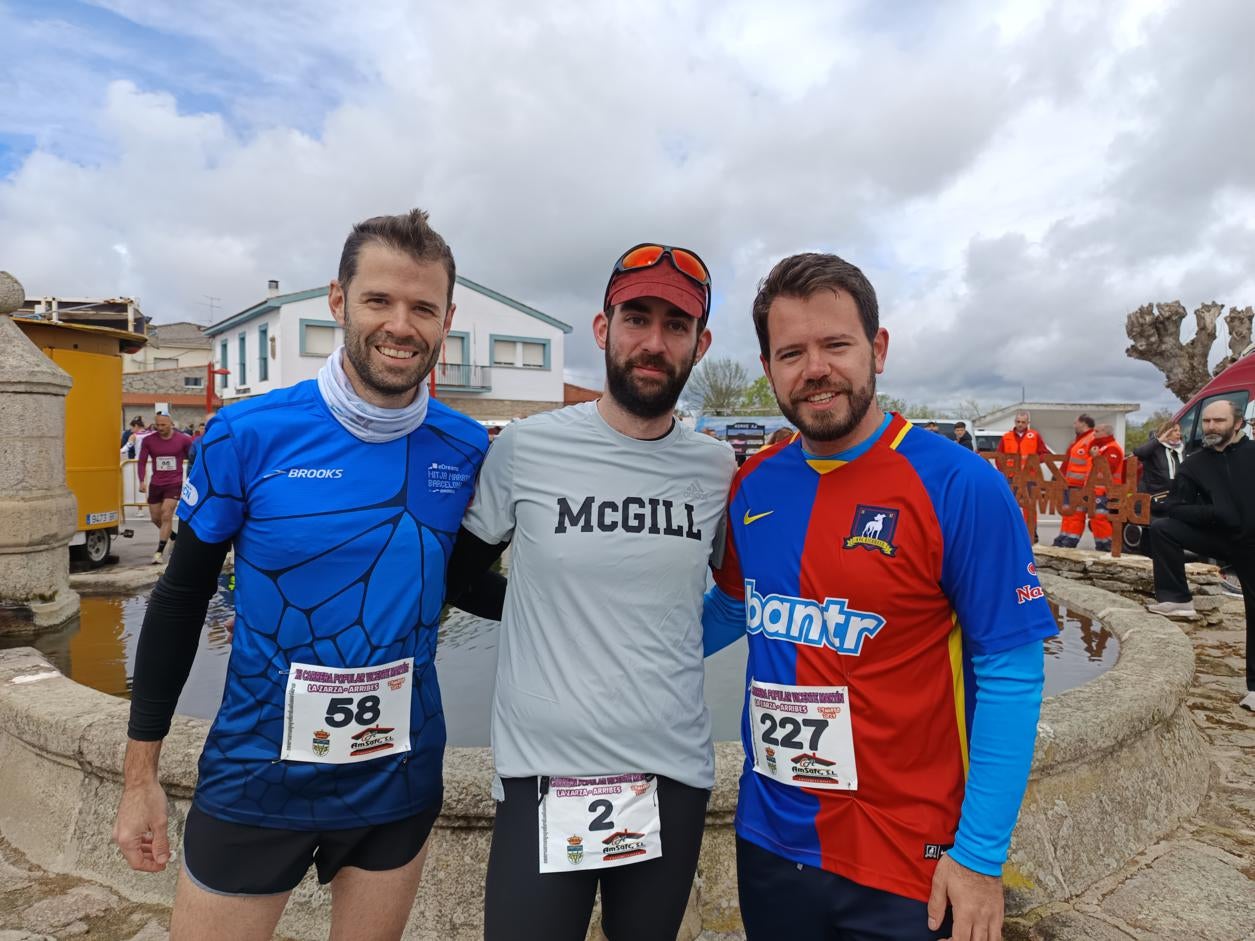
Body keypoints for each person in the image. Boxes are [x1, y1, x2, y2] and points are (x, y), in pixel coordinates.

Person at [112, 209, 500, 941]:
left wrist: (581, 610)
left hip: (397, 775)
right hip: (256, 773)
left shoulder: (466, 446)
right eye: (379, 300)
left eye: (423, 307)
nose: (401, 325)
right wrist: (140, 779)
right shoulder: (246, 434)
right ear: (338, 300)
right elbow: (180, 600)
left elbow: (456, 583)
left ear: (447, 320)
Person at [702, 252, 1056, 941]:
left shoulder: (958, 484)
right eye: (791, 353)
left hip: (909, 861)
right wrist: (621, 658)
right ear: (768, 366)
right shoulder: (752, 485)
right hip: (771, 842)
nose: (815, 369)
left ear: (878, 348)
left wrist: (979, 856)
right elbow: (731, 609)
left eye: (836, 345)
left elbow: (1012, 672)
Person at [456, 243, 736, 941]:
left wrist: (670, 642)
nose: (654, 342)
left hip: (669, 771)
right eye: (636, 318)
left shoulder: (716, 467)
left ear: (700, 345)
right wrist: (538, 613)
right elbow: (458, 577)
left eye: (676, 325)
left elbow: (736, 598)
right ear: (602, 328)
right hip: (543, 770)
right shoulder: (526, 447)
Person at [1147, 399, 1255, 711]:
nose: (1210, 427)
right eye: (1207, 421)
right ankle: (1177, 598)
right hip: (1219, 537)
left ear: (1237, 424)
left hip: (1252, 544)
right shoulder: (1194, 463)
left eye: (1218, 421)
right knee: (1163, 528)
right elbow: (1175, 507)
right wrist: (1212, 514)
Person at [137, 413, 194, 564]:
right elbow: (142, 462)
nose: (160, 428)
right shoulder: (149, 440)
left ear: (171, 424)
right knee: (155, 518)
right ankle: (174, 537)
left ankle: (159, 552)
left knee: (166, 514)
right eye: (157, 425)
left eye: (163, 425)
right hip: (156, 483)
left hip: (174, 483)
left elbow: (194, 457)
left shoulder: (183, 440)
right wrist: (141, 480)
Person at [995, 410, 1053, 543]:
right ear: (1015, 422)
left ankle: (1032, 533)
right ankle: (1011, 532)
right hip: (1011, 478)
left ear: (1028, 423)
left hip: (1029, 478)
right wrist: (1003, 472)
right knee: (1010, 505)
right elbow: (999, 456)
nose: (1020, 424)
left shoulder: (1035, 436)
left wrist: (1034, 462)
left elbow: (1045, 454)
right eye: (1018, 422)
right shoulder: (1006, 437)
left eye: (1023, 422)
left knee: (1029, 507)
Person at [1052, 413, 1099, 550]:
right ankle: (1064, 536)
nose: (1074, 425)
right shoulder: (1079, 440)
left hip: (1079, 485)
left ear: (1083, 424)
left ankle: (1071, 540)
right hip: (1070, 484)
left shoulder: (1092, 439)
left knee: (1076, 514)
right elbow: (1068, 462)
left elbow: (1092, 463)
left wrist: (1087, 485)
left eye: (1075, 423)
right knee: (1068, 512)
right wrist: (1059, 477)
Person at [1134, 419, 1184, 498]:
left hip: (1173, 496)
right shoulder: (1154, 447)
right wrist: (1159, 440)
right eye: (1175, 430)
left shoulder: (1181, 450)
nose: (1179, 433)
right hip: (1153, 496)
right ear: (1166, 432)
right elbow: (1137, 454)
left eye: (1179, 431)